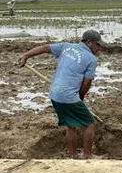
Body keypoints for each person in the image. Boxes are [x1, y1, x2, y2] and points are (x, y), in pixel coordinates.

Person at [18, 30, 107, 159]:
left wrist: (26, 55)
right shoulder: (91, 59)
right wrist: (80, 97)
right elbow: (87, 83)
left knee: (71, 124)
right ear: (89, 42)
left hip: (55, 94)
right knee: (90, 124)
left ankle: (72, 155)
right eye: (97, 45)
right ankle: (87, 156)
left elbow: (45, 48)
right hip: (68, 96)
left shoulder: (66, 47)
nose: (99, 48)